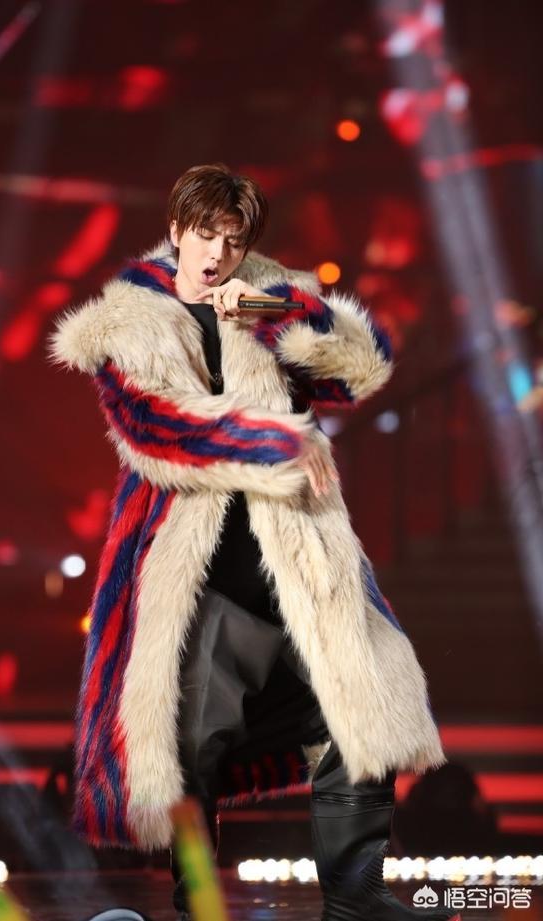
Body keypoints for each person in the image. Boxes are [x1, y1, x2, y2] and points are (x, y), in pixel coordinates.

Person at [49, 164, 459, 921]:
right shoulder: (125, 320)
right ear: (177, 228)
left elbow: (362, 370)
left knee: (365, 704)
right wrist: (274, 440)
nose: (217, 254)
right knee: (190, 748)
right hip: (194, 570)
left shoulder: (267, 295)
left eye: (233, 241)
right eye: (205, 234)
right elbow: (160, 429)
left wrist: (273, 309)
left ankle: (356, 896)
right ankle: (196, 901)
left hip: (299, 556)